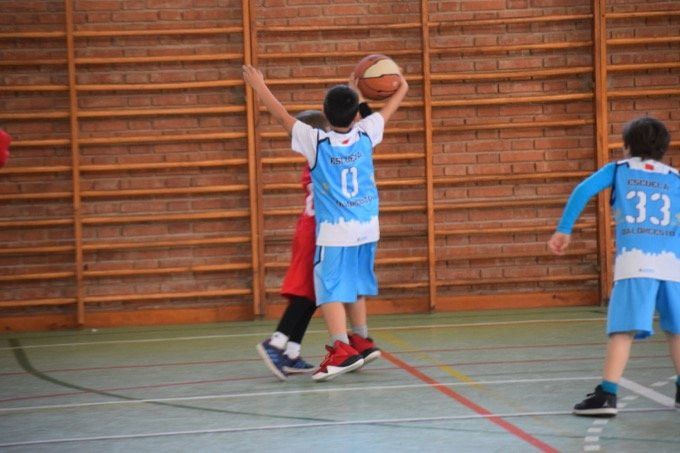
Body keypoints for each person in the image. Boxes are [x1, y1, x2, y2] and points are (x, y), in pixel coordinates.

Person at [243, 64, 409, 381]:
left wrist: (258, 85)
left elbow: (281, 117)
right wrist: (399, 86)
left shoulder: (316, 143)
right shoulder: (366, 134)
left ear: (324, 113)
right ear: (357, 113)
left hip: (336, 230)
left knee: (329, 290)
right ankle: (360, 336)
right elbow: (383, 110)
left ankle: (342, 349)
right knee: (356, 284)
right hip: (368, 226)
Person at [548, 116, 680, 416]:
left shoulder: (620, 170)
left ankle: (607, 395)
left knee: (622, 331)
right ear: (663, 149)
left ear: (627, 146)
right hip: (673, 265)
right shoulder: (675, 178)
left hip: (636, 263)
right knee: (676, 331)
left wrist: (564, 229)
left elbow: (582, 190)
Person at [256, 104, 379, 381]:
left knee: (314, 295)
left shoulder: (319, 157)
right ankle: (275, 343)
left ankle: (291, 351)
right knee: (305, 294)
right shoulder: (324, 158)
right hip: (316, 232)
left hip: (317, 230)